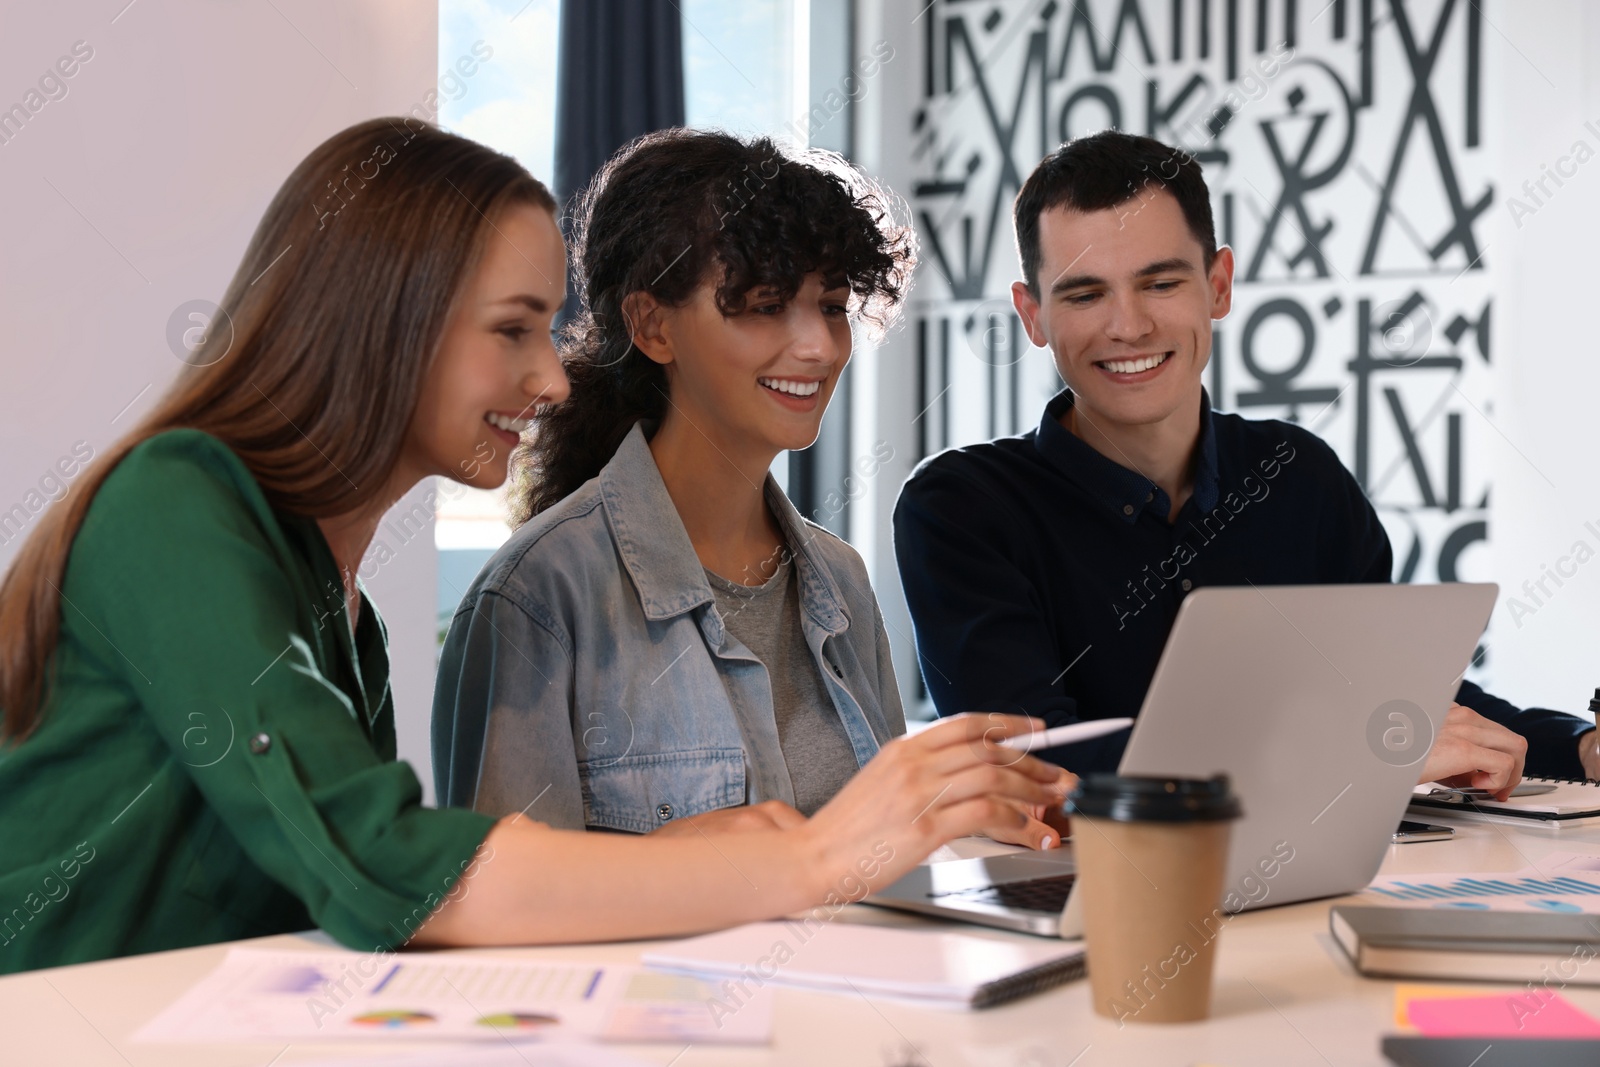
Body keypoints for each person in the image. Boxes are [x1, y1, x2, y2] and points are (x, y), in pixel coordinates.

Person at [0, 118, 1070, 975]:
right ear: (386, 320)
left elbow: (357, 908)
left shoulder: (344, 619)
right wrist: (818, 856)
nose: (556, 378)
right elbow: (382, 866)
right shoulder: (172, 505)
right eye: (512, 330)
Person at [893, 129, 1598, 793]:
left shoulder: (1299, 476)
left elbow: (1408, 700)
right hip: (1092, 902)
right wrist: (1348, 750)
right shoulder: (963, 508)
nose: (1128, 325)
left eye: (1161, 283)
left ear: (1220, 285)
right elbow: (1034, 761)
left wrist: (1579, 748)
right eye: (1084, 293)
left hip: (1325, 887)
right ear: (1033, 315)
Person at [432, 129, 1066, 852]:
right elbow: (507, 917)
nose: (819, 347)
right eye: (766, 305)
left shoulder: (842, 581)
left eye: (830, 306)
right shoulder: (537, 600)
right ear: (651, 325)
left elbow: (887, 873)